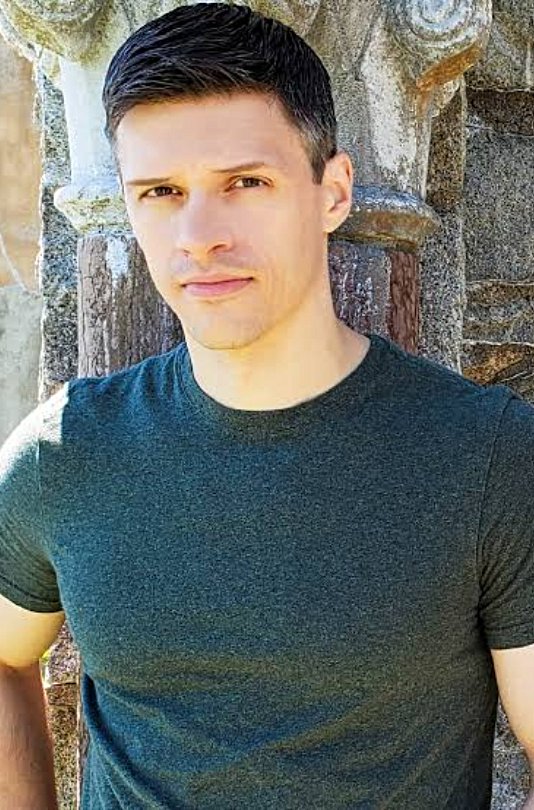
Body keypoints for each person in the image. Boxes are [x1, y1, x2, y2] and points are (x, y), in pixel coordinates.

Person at [0, 3, 533, 808]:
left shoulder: (487, 457)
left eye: (245, 182)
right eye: (161, 191)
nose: (199, 234)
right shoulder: (66, 453)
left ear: (333, 192)